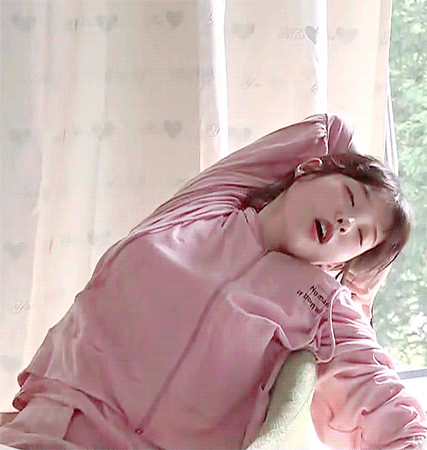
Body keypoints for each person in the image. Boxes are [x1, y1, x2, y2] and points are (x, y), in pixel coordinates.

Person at [0, 113, 426, 450]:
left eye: (361, 235)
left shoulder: (324, 304)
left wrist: (362, 289)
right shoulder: (203, 208)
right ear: (308, 169)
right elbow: (330, 130)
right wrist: (374, 184)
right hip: (56, 429)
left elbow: (382, 399)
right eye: (350, 197)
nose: (347, 221)